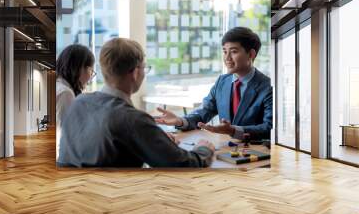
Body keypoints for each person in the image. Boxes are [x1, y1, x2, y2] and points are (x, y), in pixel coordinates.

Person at [58, 38, 215, 168]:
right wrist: (203, 150)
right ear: (135, 72)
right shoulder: (132, 119)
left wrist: (155, 139)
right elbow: (184, 165)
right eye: (144, 68)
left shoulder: (79, 102)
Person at [155, 27, 272, 140]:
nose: (227, 58)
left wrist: (233, 130)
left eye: (233, 51)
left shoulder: (268, 87)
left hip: (255, 153)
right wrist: (180, 121)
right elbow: (203, 113)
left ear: (251, 54)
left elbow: (268, 128)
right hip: (226, 149)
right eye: (225, 51)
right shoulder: (222, 81)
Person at [56, 44, 95, 159]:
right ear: (79, 68)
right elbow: (66, 135)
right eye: (91, 71)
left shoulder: (60, 86)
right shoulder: (66, 93)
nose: (90, 77)